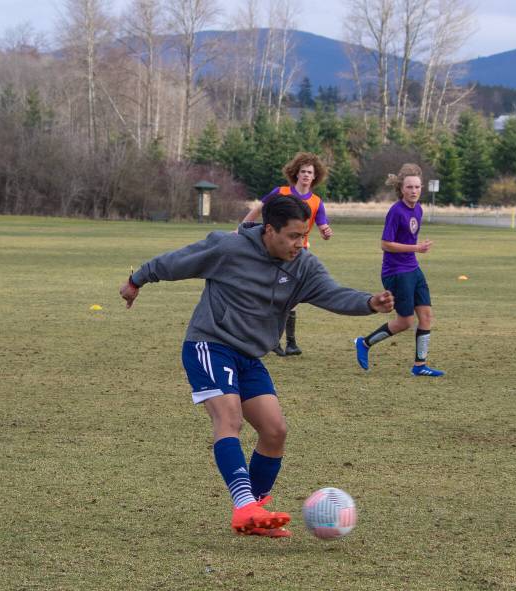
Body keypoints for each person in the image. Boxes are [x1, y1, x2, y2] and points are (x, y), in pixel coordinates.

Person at [120, 197, 393, 537]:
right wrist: (136, 281)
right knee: (229, 418)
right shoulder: (229, 248)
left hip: (249, 357)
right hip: (210, 344)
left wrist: (369, 303)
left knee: (275, 430)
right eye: (293, 236)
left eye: (303, 235)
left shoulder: (303, 266)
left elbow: (333, 294)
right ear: (269, 230)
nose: (299, 243)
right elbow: (177, 262)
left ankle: (256, 512)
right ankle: (244, 506)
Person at [354, 163, 445, 377]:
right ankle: (364, 343)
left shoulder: (419, 209)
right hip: (396, 272)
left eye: (417, 187)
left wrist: (415, 249)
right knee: (405, 322)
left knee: (426, 316)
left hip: (413, 269)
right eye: (409, 187)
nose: (414, 191)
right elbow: (385, 244)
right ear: (401, 189)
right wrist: (416, 248)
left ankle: (419, 365)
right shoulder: (395, 211)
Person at [241, 152, 332, 356]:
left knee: (290, 296)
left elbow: (323, 226)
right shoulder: (281, 192)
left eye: (310, 172)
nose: (307, 175)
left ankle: (288, 342)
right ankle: (271, 339)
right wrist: (242, 227)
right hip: (273, 249)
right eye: (303, 171)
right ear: (296, 173)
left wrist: (326, 232)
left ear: (315, 176)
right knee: (272, 293)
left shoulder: (317, 202)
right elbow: (259, 208)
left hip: (298, 253)